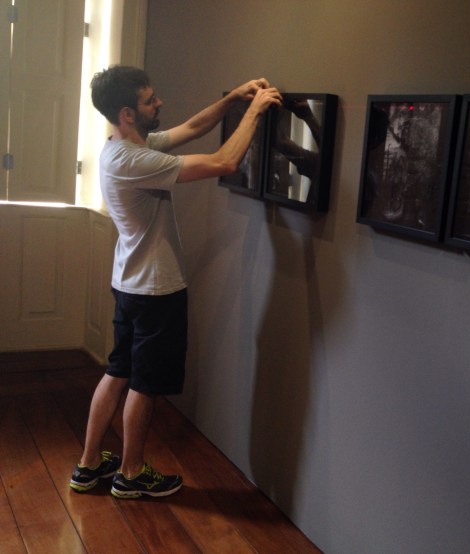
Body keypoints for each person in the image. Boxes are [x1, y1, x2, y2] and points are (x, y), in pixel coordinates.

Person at [68, 65, 282, 499]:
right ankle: (131, 473)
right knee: (145, 385)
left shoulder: (124, 147)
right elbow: (224, 162)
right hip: (155, 290)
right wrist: (255, 111)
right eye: (150, 100)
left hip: (130, 284)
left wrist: (232, 99)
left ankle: (88, 466)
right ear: (128, 113)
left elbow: (192, 127)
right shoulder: (134, 159)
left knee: (118, 371)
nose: (159, 103)